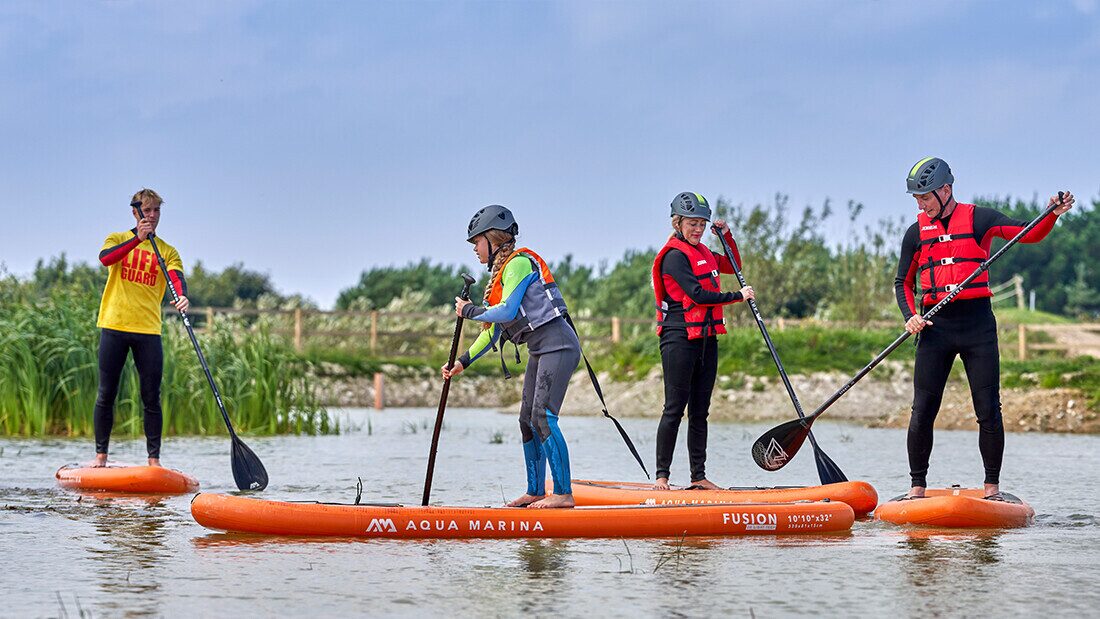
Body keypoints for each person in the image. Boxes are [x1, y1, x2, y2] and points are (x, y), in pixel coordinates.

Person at [895, 157, 1074, 499]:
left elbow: (1028, 233)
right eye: (916, 198)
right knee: (923, 409)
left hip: (977, 325)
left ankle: (991, 489)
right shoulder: (916, 232)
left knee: (988, 408)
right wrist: (910, 315)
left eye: (926, 196)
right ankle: (917, 488)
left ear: (946, 190)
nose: (920, 203)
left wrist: (1051, 214)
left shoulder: (979, 218)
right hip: (935, 326)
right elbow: (902, 281)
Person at [440, 205, 580, 509]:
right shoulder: (500, 277)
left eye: (477, 242)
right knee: (526, 420)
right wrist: (461, 362)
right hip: (540, 348)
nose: (475, 249)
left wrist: (470, 311)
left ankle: (564, 493)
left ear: (493, 239)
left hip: (557, 343)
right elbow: (493, 332)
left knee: (543, 417)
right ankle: (535, 491)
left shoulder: (517, 264)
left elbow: (506, 311)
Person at [652, 192, 755, 491]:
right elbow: (697, 295)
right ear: (678, 222)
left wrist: (726, 236)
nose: (697, 229)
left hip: (707, 339)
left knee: (700, 410)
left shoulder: (706, 253)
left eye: (701, 224)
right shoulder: (674, 256)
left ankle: (698, 476)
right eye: (692, 223)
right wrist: (739, 296)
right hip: (678, 338)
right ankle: (662, 478)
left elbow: (733, 264)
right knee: (674, 408)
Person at [93, 188, 189, 467]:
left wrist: (180, 295)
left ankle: (153, 461)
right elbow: (106, 259)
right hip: (114, 324)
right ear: (135, 212)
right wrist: (138, 239)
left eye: (157, 210)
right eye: (147, 210)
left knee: (151, 396)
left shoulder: (168, 251)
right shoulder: (117, 239)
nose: (153, 216)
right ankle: (101, 458)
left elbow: (175, 278)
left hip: (148, 330)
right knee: (106, 392)